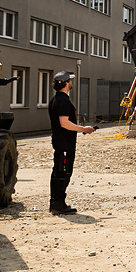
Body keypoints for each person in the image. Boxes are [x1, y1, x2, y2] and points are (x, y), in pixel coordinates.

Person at [48, 70, 95, 214]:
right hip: (64, 144)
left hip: (61, 143)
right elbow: (64, 122)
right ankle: (58, 204)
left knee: (58, 172)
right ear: (66, 83)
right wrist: (83, 129)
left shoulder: (56, 99)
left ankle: (56, 202)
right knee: (63, 172)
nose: (71, 83)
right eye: (70, 81)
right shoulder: (63, 101)